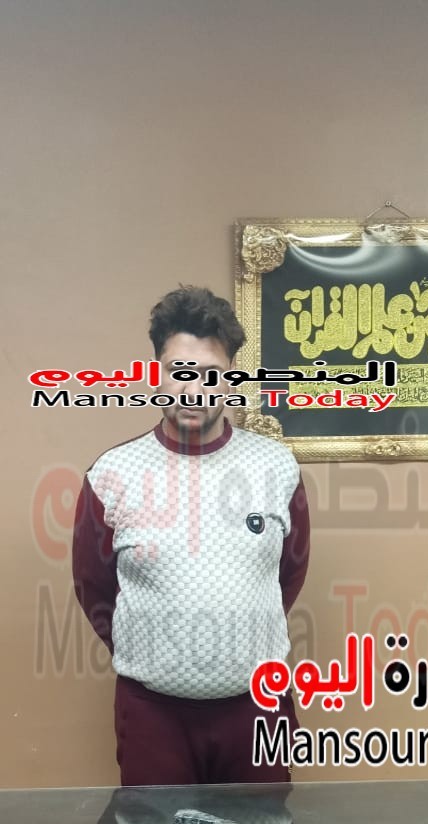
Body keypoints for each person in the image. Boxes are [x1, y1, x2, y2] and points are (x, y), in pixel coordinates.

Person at [72, 284, 309, 785]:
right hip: (153, 716)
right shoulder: (113, 474)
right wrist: (157, 650)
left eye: (211, 374)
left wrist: (238, 643)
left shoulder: (276, 467)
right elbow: (94, 587)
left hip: (257, 708)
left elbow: (287, 574)